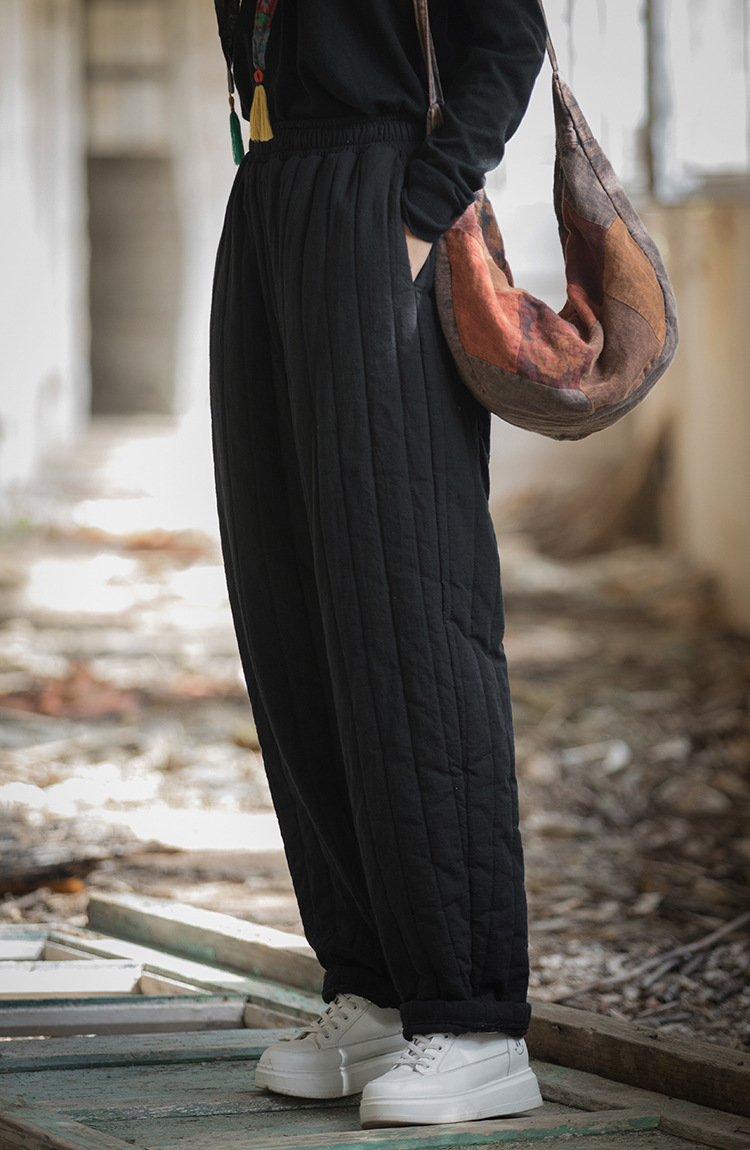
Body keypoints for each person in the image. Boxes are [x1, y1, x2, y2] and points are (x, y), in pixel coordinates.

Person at [210, 0, 547, 1129]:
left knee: (409, 609)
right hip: (268, 195)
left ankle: (473, 1019)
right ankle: (375, 989)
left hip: (380, 196)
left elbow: (507, 38)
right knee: (290, 613)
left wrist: (418, 205)